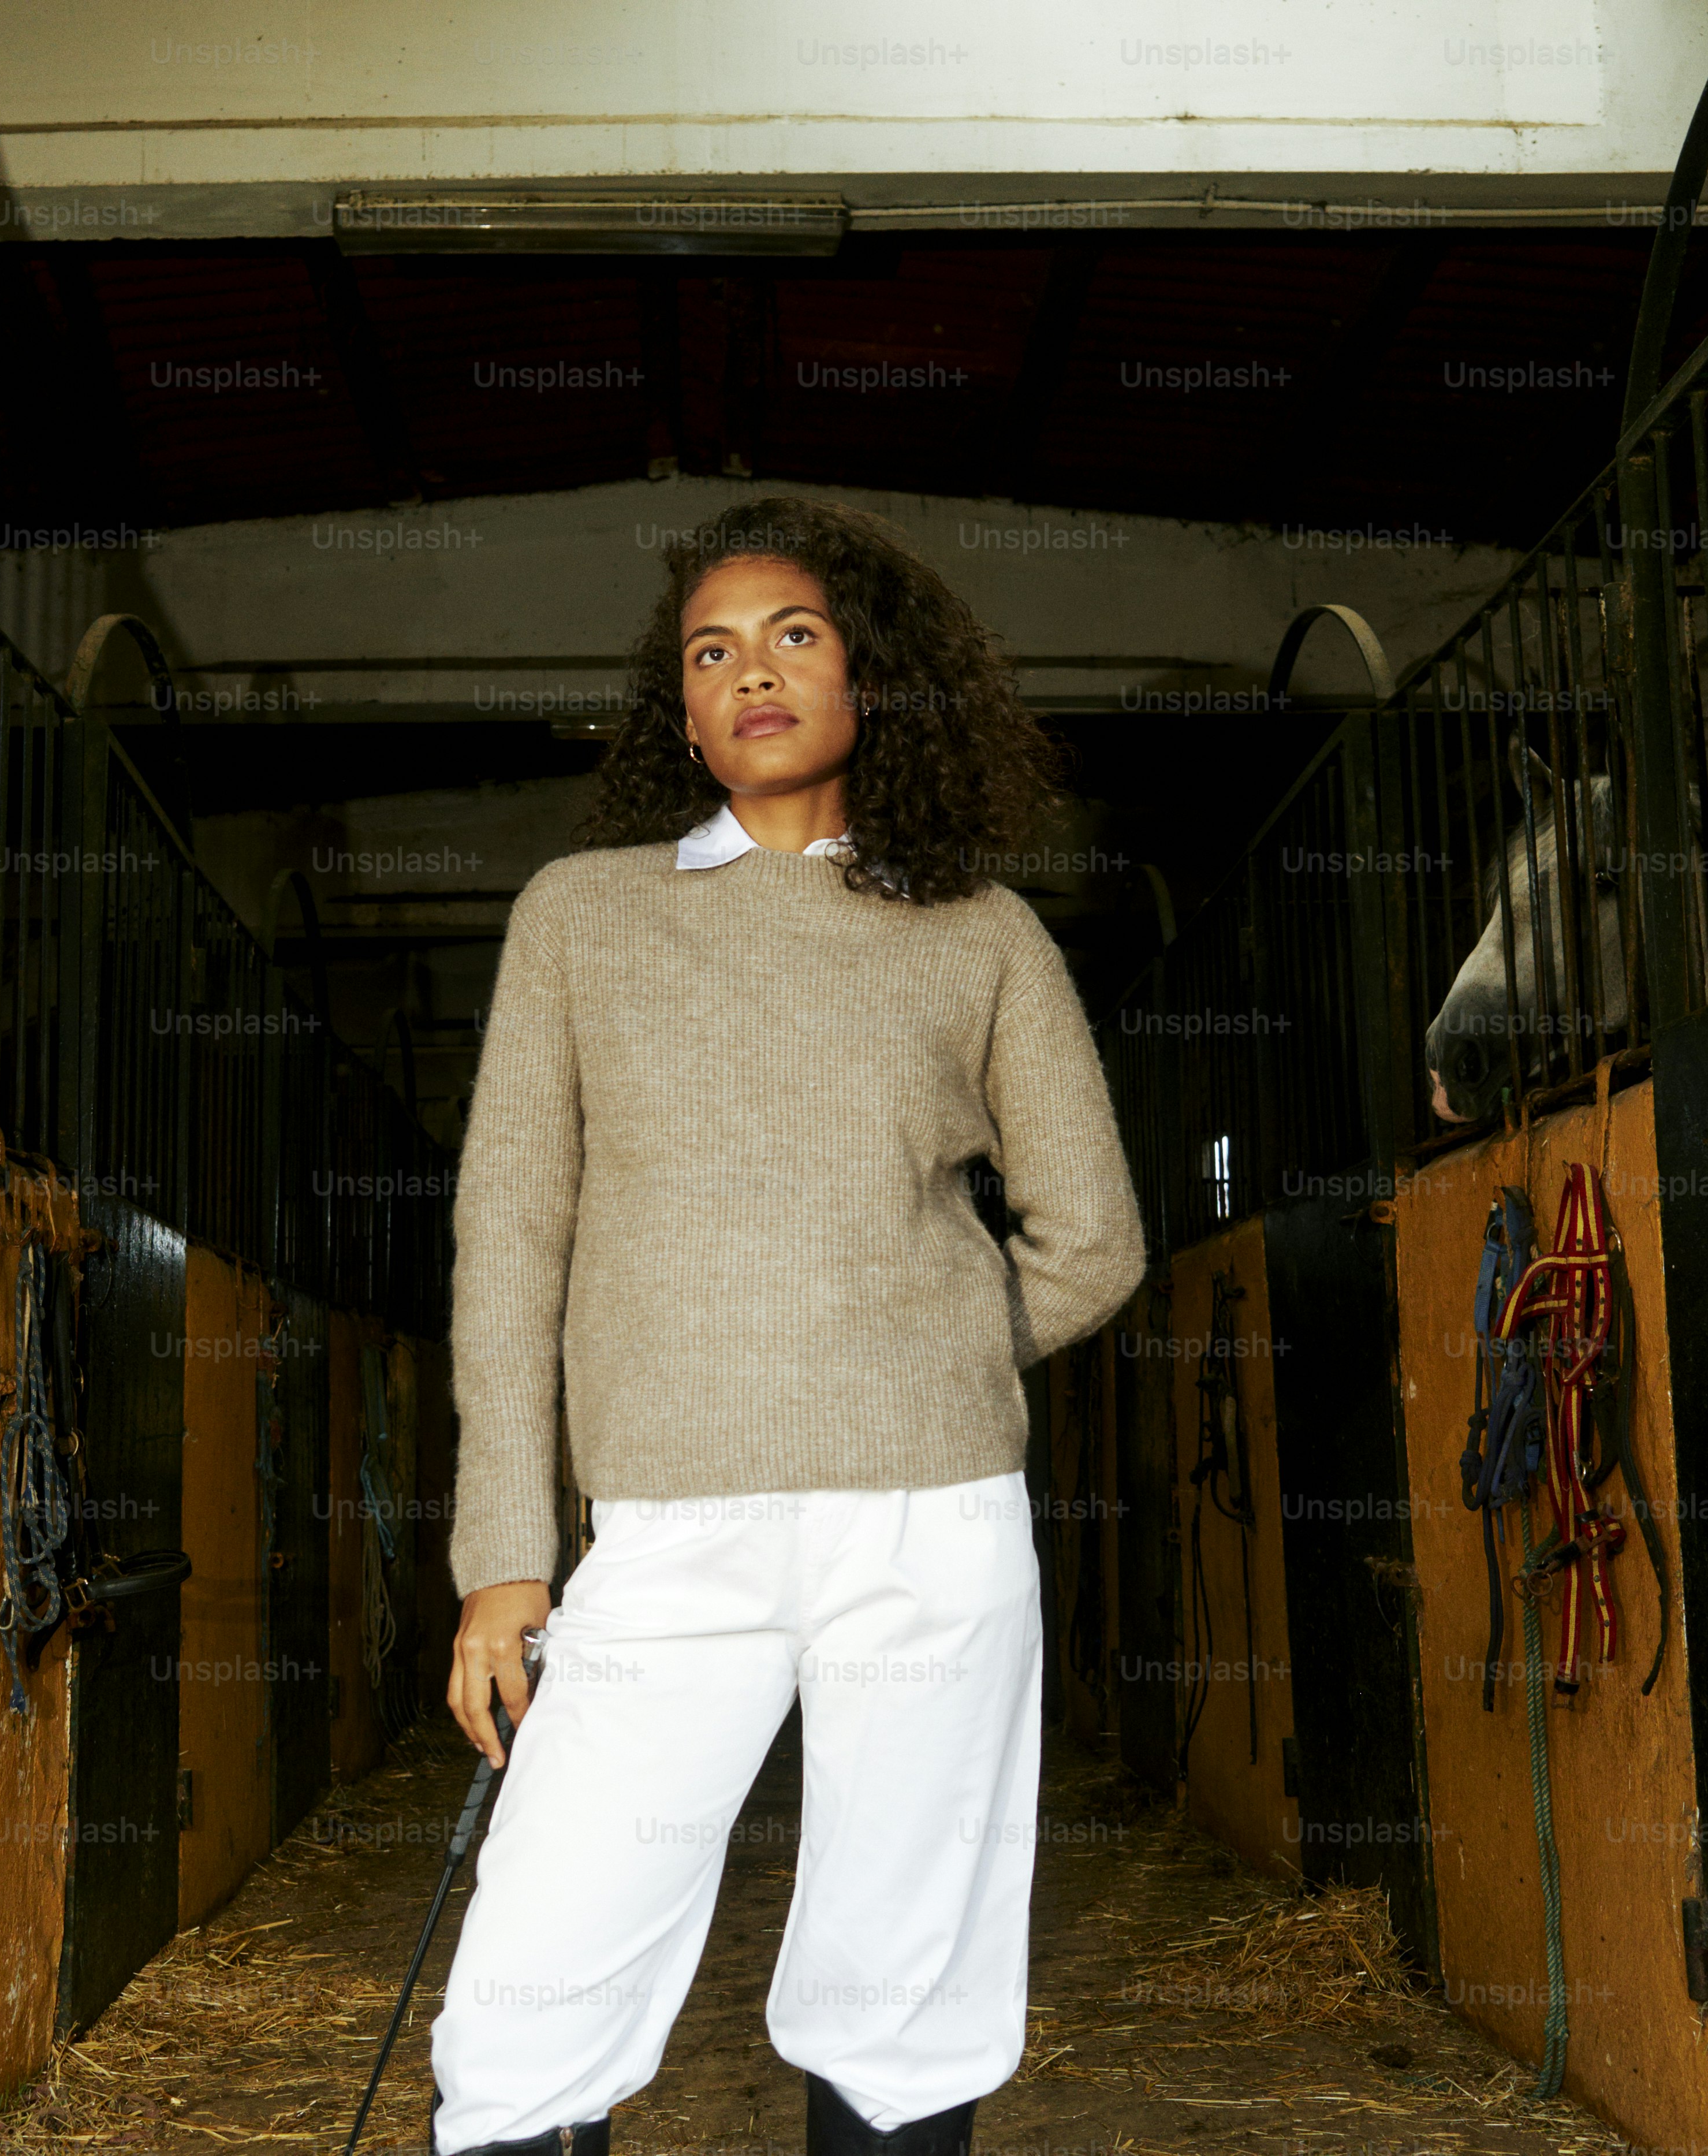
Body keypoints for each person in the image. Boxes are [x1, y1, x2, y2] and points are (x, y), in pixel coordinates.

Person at [429, 497, 1146, 2156]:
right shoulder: (580, 918)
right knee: (532, 1985)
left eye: (794, 637)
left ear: (870, 680)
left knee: (904, 1994)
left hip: (931, 1525)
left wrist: (911, 1355)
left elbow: (1095, 1240)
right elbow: (509, 1241)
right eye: (711, 652)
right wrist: (503, 1557)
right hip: (666, 1529)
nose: (750, 673)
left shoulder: (980, 933)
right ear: (681, 716)